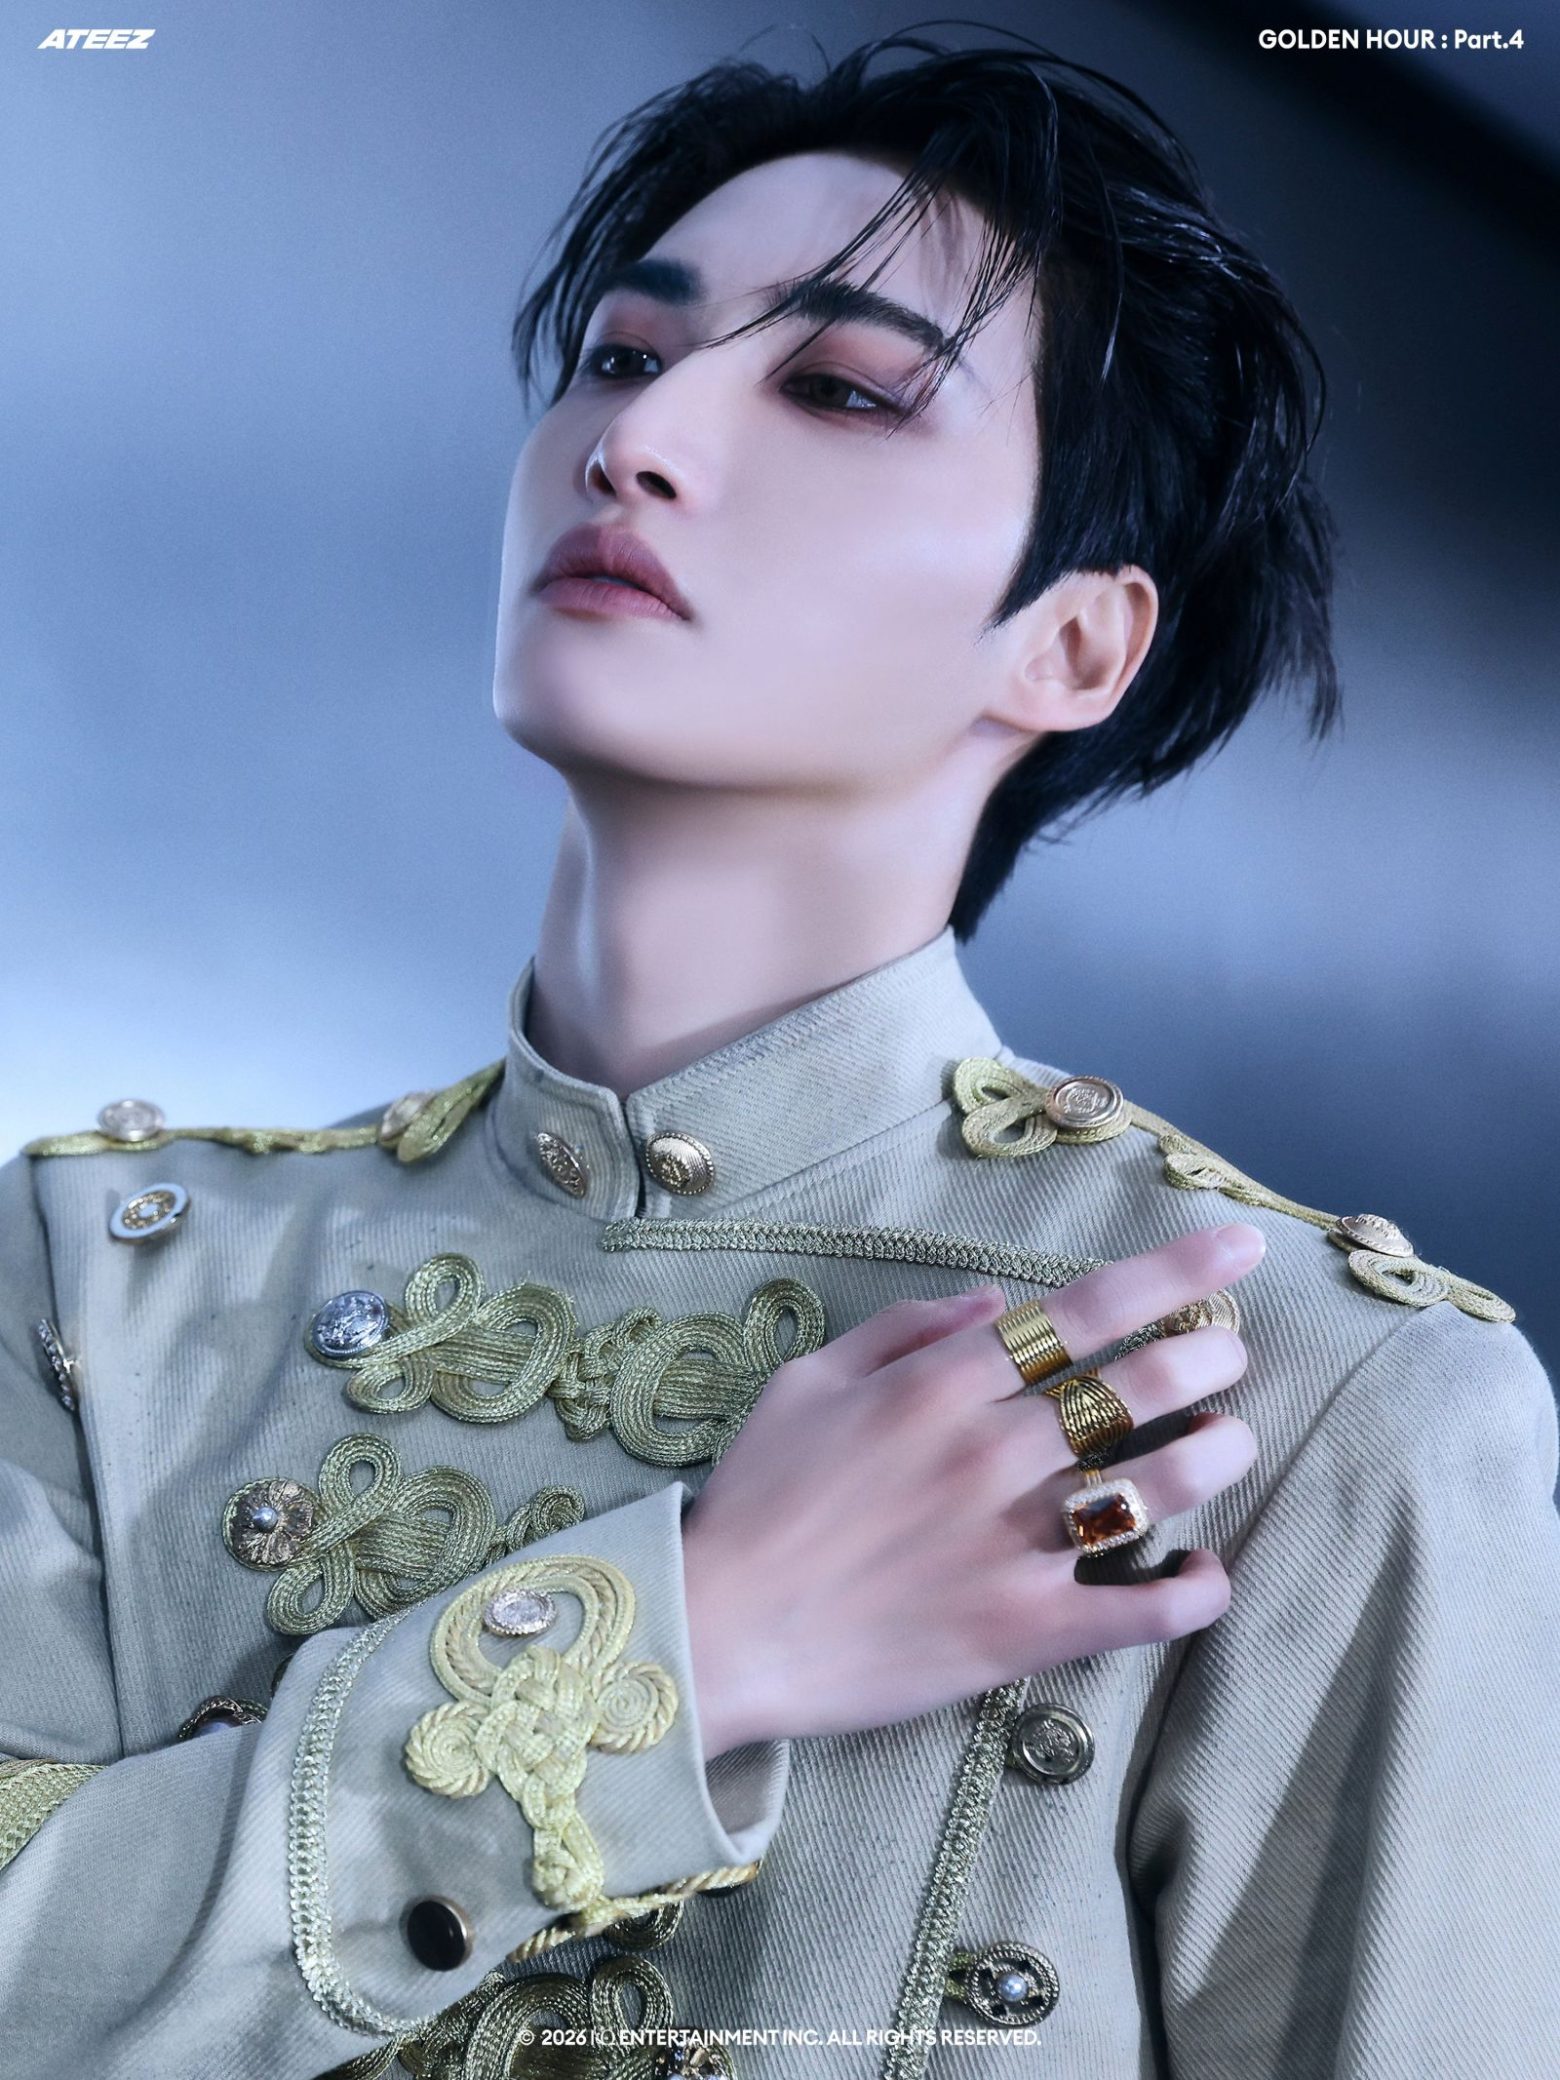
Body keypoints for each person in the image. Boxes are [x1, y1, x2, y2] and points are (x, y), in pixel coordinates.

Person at [4, 29, 1556, 2080]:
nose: (635, 442)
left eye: (840, 389)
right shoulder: (103, 1277)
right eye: (623, 357)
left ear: (1074, 643)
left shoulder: (1304, 1395)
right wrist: (705, 1635)